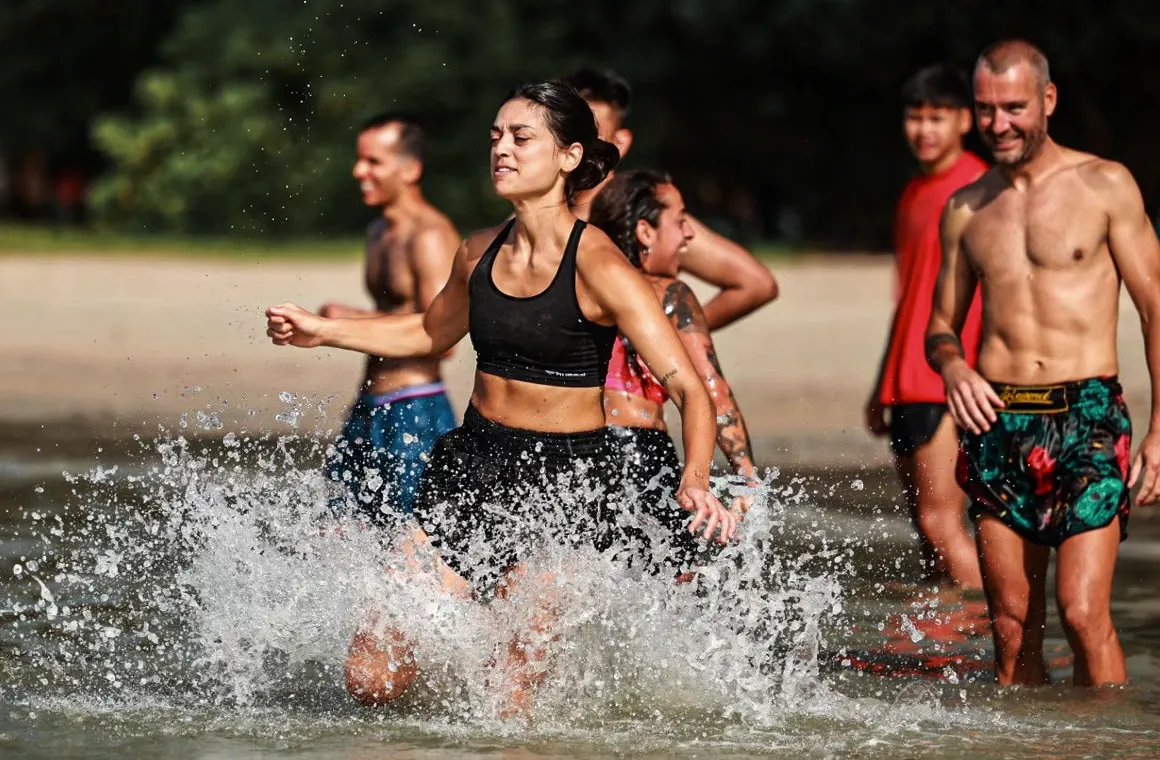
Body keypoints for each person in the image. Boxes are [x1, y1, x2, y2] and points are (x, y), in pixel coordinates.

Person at [266, 80, 737, 714]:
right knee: (372, 673)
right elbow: (430, 332)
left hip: (570, 485)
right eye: (495, 138)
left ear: (569, 157)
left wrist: (697, 477)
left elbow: (686, 386)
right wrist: (324, 332)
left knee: (507, 692)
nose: (502, 151)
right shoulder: (476, 251)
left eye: (521, 138)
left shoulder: (598, 263)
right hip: (474, 466)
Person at [926, 39, 1160, 688]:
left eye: (1014, 107)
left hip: (1086, 419)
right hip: (998, 420)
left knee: (1084, 615)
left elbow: (1155, 308)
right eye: (985, 109)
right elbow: (940, 328)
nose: (998, 124)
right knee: (1009, 624)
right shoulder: (965, 208)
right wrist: (952, 368)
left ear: (1048, 101)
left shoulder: (1105, 184)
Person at [590, 168, 759, 577]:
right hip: (640, 455)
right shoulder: (668, 293)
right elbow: (711, 387)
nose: (687, 235)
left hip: (580, 453)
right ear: (645, 233)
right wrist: (746, 474)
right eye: (680, 220)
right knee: (672, 590)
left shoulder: (581, 286)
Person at [865, 65, 988, 590]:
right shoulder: (914, 192)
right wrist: (881, 384)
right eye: (916, 118)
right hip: (908, 380)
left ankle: (993, 645)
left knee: (943, 522)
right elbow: (909, 296)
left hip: (951, 379)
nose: (925, 129)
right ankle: (943, 653)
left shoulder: (981, 188)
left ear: (965, 120)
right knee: (926, 530)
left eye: (937, 117)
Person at [319, 113, 460, 527]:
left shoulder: (431, 236)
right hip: (367, 406)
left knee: (410, 544)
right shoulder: (378, 230)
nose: (358, 171)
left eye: (373, 161)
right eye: (360, 159)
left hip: (415, 408)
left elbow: (445, 338)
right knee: (338, 533)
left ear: (410, 169)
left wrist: (346, 319)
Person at [562, 67, 779, 330]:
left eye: (592, 136)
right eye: (569, 134)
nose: (579, 148)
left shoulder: (647, 213)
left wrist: (673, 336)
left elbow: (756, 284)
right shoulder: (536, 212)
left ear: (620, 142)